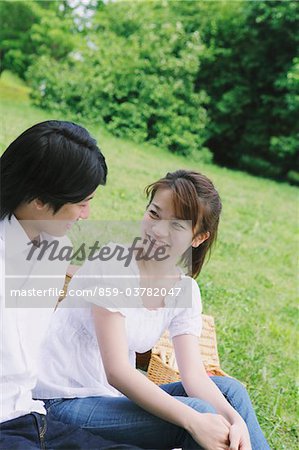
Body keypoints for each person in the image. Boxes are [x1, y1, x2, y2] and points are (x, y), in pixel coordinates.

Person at [34, 170, 270, 450]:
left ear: (199, 237)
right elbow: (118, 371)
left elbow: (193, 376)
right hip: (58, 401)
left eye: (177, 225)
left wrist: (235, 418)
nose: (158, 230)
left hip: (106, 398)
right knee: (200, 415)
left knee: (231, 394)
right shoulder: (113, 266)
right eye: (154, 214)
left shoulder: (185, 291)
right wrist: (194, 420)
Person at [0, 120, 139, 450]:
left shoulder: (54, 251)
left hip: (34, 416)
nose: (87, 214)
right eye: (82, 202)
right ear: (38, 200)